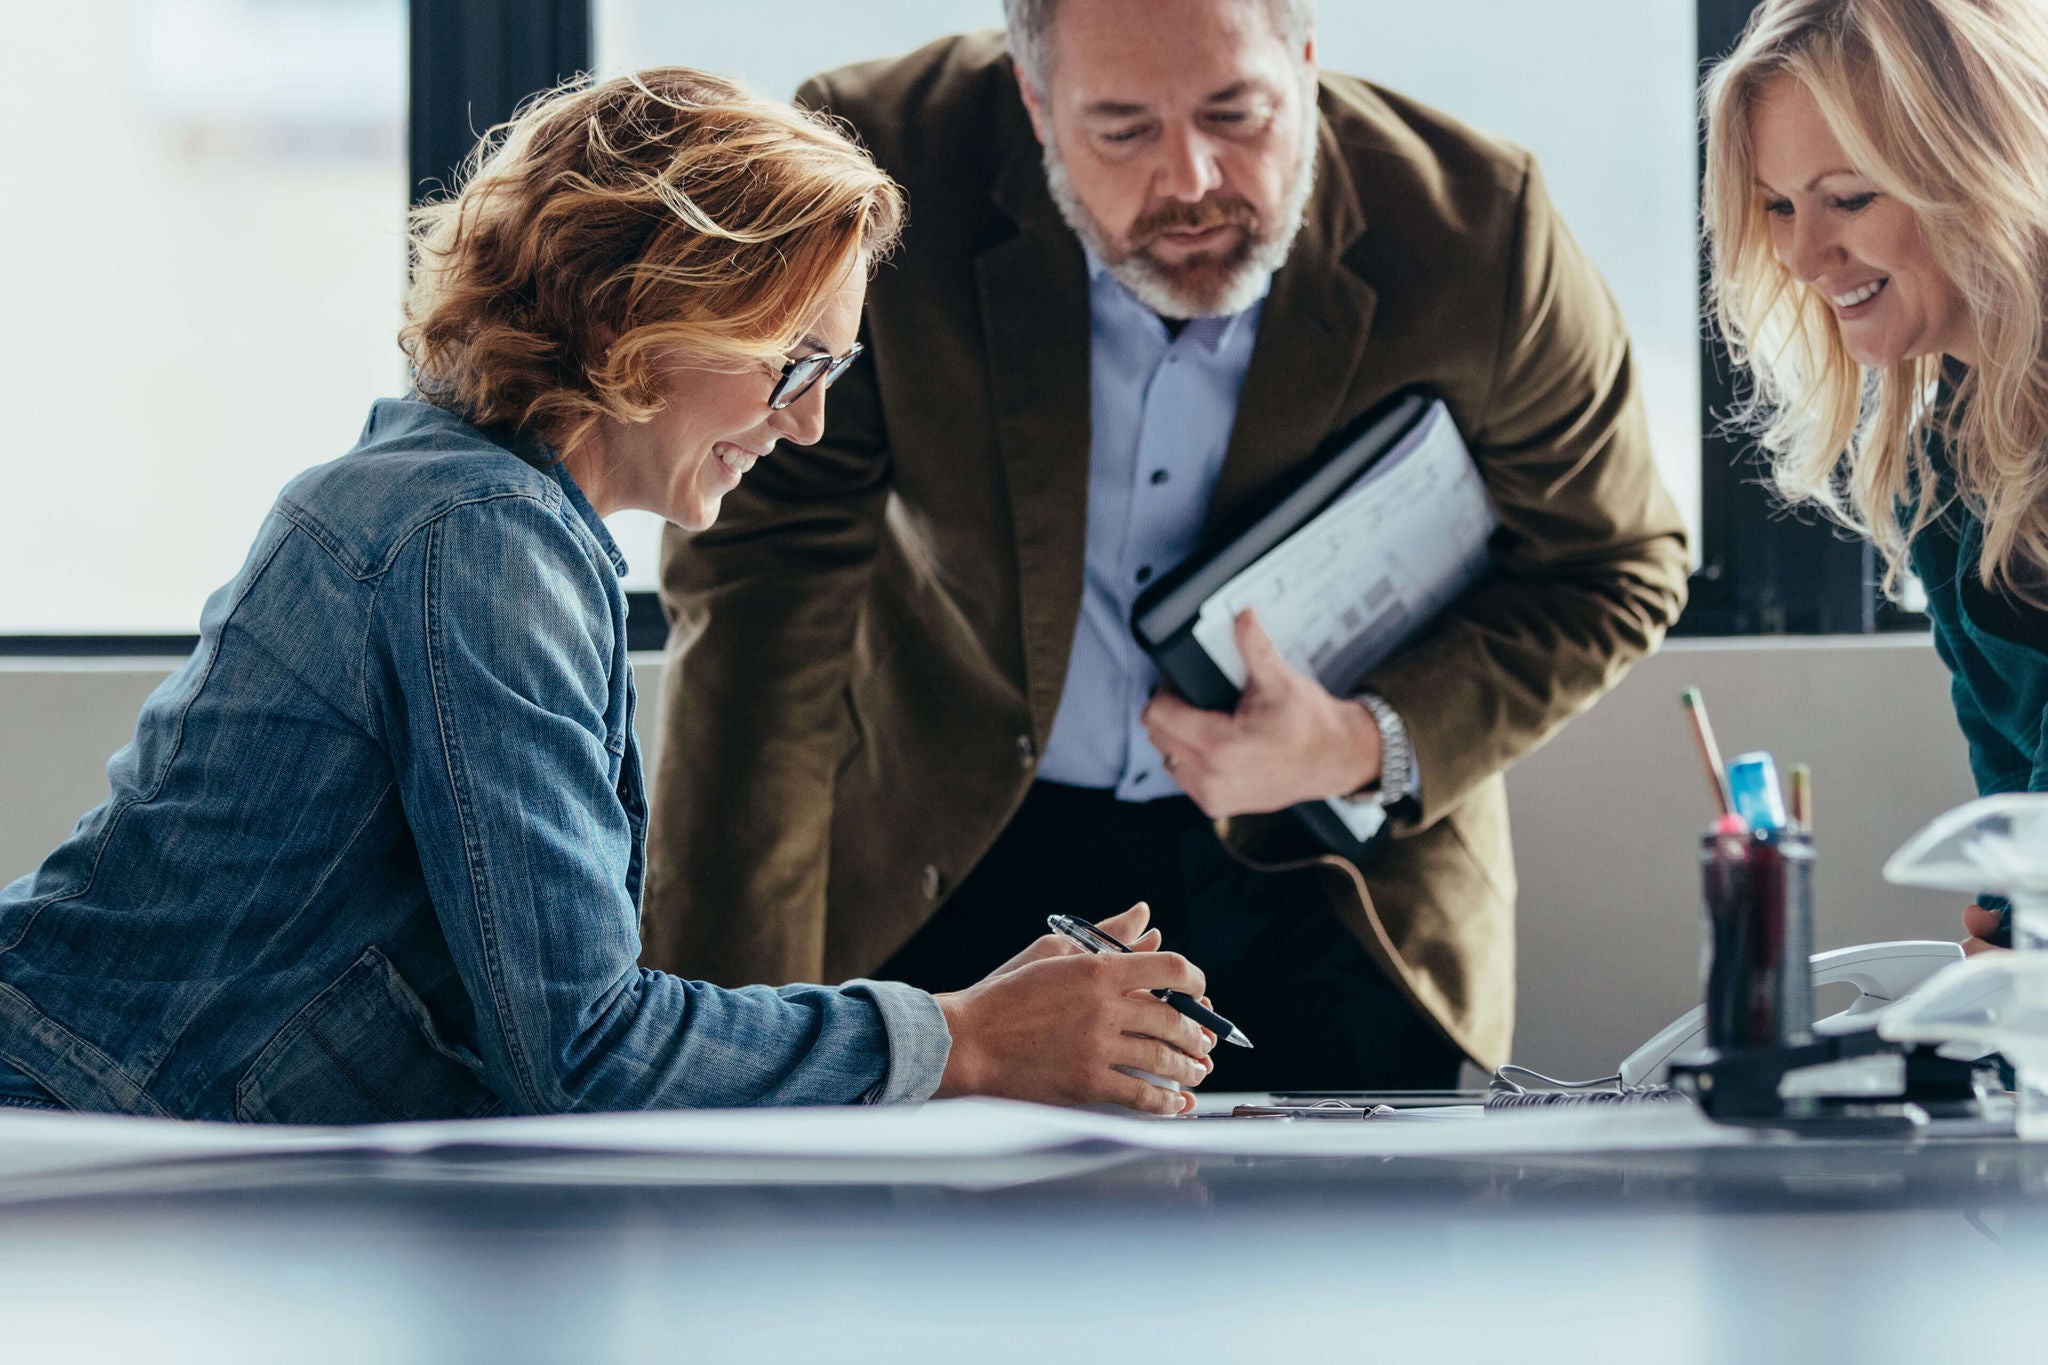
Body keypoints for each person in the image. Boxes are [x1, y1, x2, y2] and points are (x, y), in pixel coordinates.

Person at [0, 69, 1216, 1122]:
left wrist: (966, 1031)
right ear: (637, 309)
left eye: (834, 369)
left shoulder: (458, 498)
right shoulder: (481, 538)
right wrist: (968, 1039)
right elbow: (580, 1048)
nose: (810, 421)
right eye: (791, 360)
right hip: (68, 1138)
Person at [643, 0, 1690, 1090]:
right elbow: (766, 580)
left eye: (1236, 113)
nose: (1190, 178)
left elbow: (1614, 563)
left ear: (1307, 67)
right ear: (1034, 103)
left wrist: (1356, 742)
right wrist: (725, 1042)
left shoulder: (1478, 226)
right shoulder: (880, 170)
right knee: (934, 1249)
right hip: (953, 843)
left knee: (1341, 1255)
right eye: (1123, 130)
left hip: (1329, 888)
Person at [1702, 0, 2048, 957]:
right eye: (1779, 205)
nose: (1802, 255)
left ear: (1985, 167)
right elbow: (2013, 815)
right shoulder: (1936, 467)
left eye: (1849, 198)